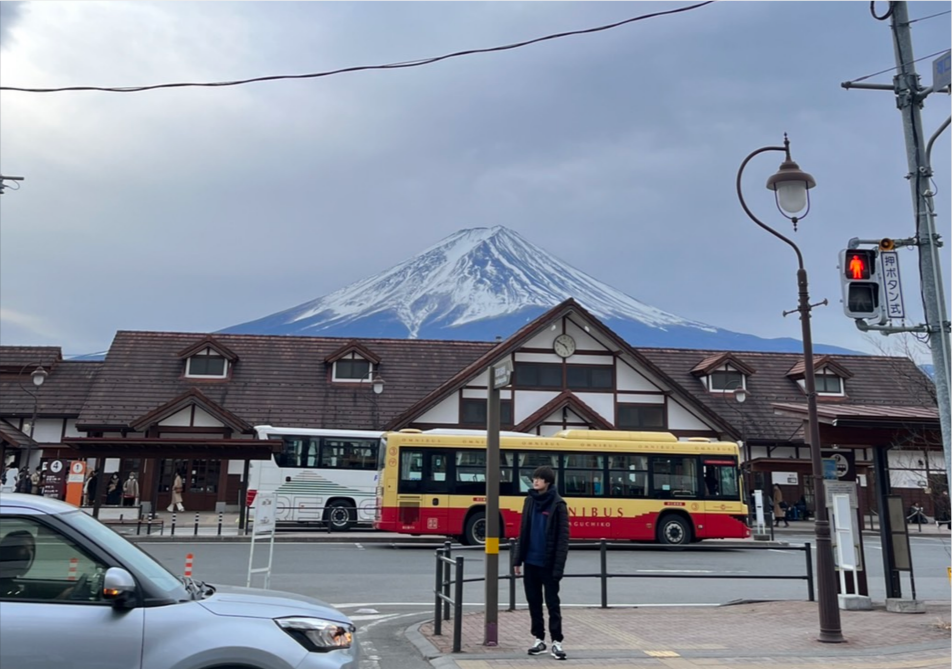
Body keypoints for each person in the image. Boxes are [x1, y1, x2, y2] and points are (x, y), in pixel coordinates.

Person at [513, 465, 569, 661]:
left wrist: (558, 568)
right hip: (530, 561)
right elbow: (523, 532)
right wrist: (517, 560)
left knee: (553, 603)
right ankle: (539, 639)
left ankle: (557, 642)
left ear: (548, 482)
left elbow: (563, 540)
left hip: (548, 563)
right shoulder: (529, 501)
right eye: (534, 478)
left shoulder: (558, 504)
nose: (535, 481)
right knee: (534, 602)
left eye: (539, 479)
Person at [0, 530, 36, 597]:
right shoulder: (6, 588)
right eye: (23, 547)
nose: (29, 553)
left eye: (31, 548)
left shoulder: (10, 583)